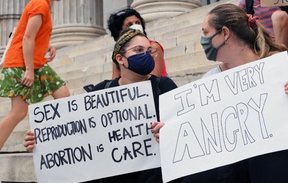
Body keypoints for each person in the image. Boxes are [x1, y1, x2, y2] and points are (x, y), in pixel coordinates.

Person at [151, 3, 288, 183]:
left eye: (205, 33)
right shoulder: (209, 82)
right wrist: (172, 134)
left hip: (281, 160)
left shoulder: (279, 70)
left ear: (225, 34)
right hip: (233, 167)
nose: (202, 39)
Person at [25, 29, 180, 183]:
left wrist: (168, 132)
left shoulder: (164, 86)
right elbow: (76, 132)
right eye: (139, 50)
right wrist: (42, 142)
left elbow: (182, 127)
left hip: (154, 175)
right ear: (120, 58)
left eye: (149, 50)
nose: (146, 55)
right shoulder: (101, 91)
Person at [0, 0, 71, 151]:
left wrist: (48, 46)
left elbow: (34, 35)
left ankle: (55, 140)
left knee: (63, 96)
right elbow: (28, 37)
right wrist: (29, 70)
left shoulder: (44, 5)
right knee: (18, 112)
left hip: (35, 63)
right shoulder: (40, 4)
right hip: (21, 64)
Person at [107, 7, 168, 79]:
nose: (135, 26)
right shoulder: (118, 54)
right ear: (120, 32)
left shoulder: (153, 47)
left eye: (137, 22)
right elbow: (115, 80)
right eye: (129, 25)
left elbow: (154, 79)